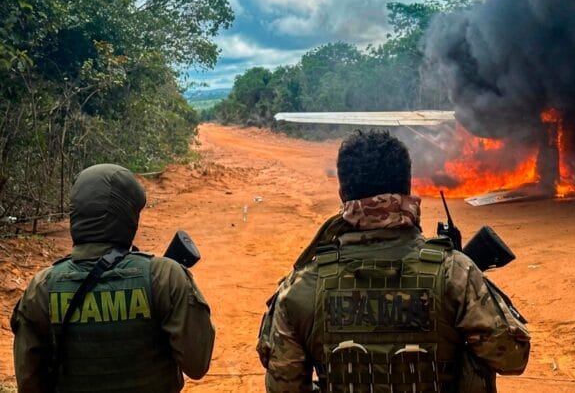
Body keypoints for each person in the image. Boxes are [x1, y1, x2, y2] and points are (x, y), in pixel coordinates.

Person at [257, 130, 530, 392]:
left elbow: (284, 386)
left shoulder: (301, 287)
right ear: (408, 187)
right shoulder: (455, 274)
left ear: (343, 193)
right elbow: (512, 358)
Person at [11, 164, 215, 393]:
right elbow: (197, 363)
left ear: (76, 214)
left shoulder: (42, 287)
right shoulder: (164, 277)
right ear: (128, 217)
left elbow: (28, 382)